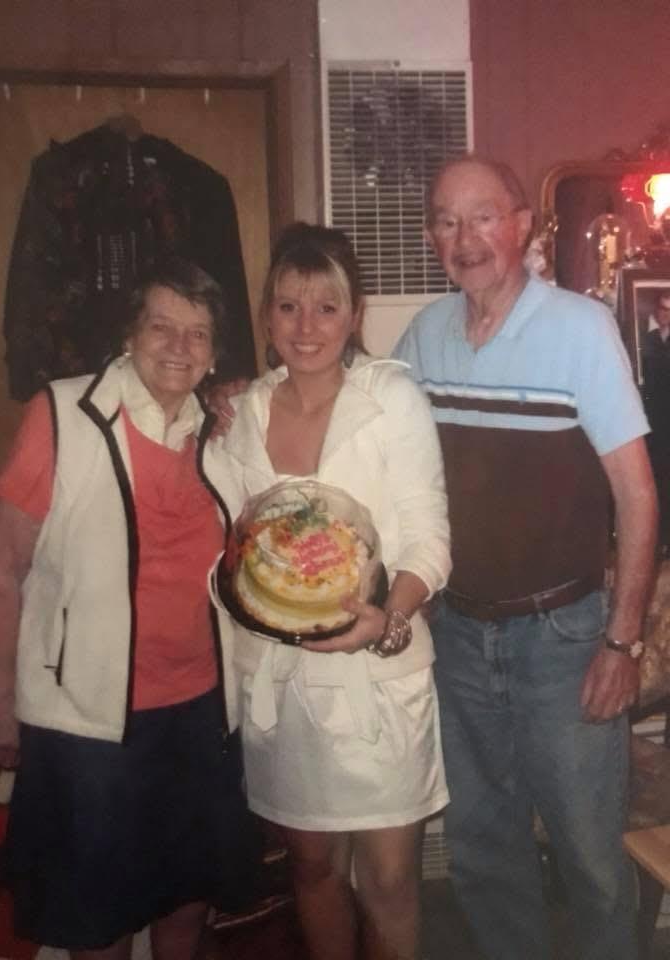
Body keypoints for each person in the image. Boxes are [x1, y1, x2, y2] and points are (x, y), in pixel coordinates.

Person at [393, 155, 658, 960]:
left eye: (482, 216)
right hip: (459, 639)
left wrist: (622, 641)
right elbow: (359, 428)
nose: (463, 237)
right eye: (445, 219)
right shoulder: (424, 335)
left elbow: (639, 497)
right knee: (482, 851)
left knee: (589, 855)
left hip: (564, 639)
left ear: (521, 225)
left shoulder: (582, 329)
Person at [0, 259, 245, 960]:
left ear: (215, 353)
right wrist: (4, 704)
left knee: (186, 902)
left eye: (198, 333)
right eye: (161, 325)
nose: (179, 346)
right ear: (130, 335)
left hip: (200, 713)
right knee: (100, 922)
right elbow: (3, 569)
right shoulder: (64, 415)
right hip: (89, 722)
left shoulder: (219, 432)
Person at [206, 223, 451, 960]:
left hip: (379, 676)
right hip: (281, 686)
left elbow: (429, 540)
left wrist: (388, 618)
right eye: (288, 307)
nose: (305, 327)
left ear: (354, 315)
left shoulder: (392, 399)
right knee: (311, 869)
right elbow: (232, 546)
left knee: (389, 880)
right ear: (267, 316)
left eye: (326, 308)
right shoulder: (239, 415)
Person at [642, 290, 670, 550]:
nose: (666, 315)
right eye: (663, 309)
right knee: (658, 478)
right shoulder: (647, 340)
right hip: (655, 420)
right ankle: (661, 539)